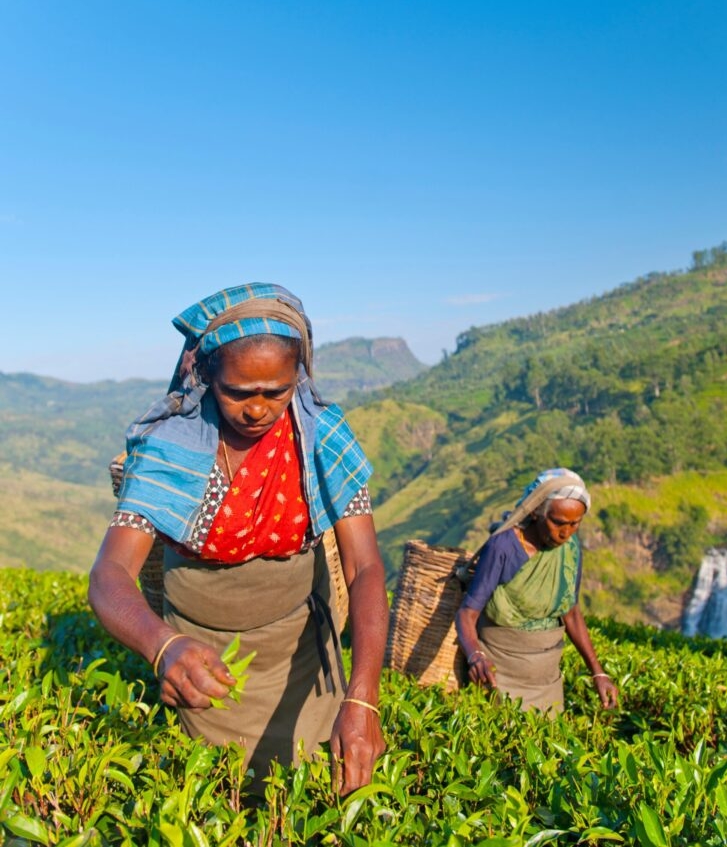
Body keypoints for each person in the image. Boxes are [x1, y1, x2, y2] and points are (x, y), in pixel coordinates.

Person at [89, 283, 388, 795]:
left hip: (301, 657)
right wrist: (163, 645)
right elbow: (109, 575)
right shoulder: (172, 449)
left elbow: (364, 568)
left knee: (313, 795)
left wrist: (362, 699)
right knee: (220, 802)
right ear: (206, 376)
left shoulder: (320, 437)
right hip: (203, 663)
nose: (258, 410)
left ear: (299, 376)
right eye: (238, 392)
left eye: (277, 391)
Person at [455, 468, 618, 714]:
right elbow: (467, 613)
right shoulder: (504, 547)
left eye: (575, 524)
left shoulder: (570, 548)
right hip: (500, 675)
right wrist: (475, 656)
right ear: (535, 512)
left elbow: (570, 612)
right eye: (558, 523)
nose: (566, 533)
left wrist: (598, 671)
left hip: (547, 682)